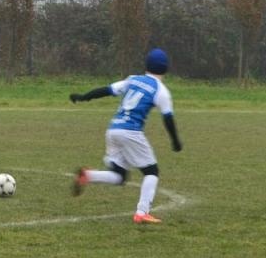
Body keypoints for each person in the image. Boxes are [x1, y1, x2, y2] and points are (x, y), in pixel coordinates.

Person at [69, 47, 183, 224]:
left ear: (146, 65)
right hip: (131, 132)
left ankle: (87, 175)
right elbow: (168, 118)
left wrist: (84, 97)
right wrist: (175, 141)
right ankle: (142, 212)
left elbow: (107, 90)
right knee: (151, 171)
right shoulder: (161, 90)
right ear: (166, 68)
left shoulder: (133, 80)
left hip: (113, 129)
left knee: (120, 176)